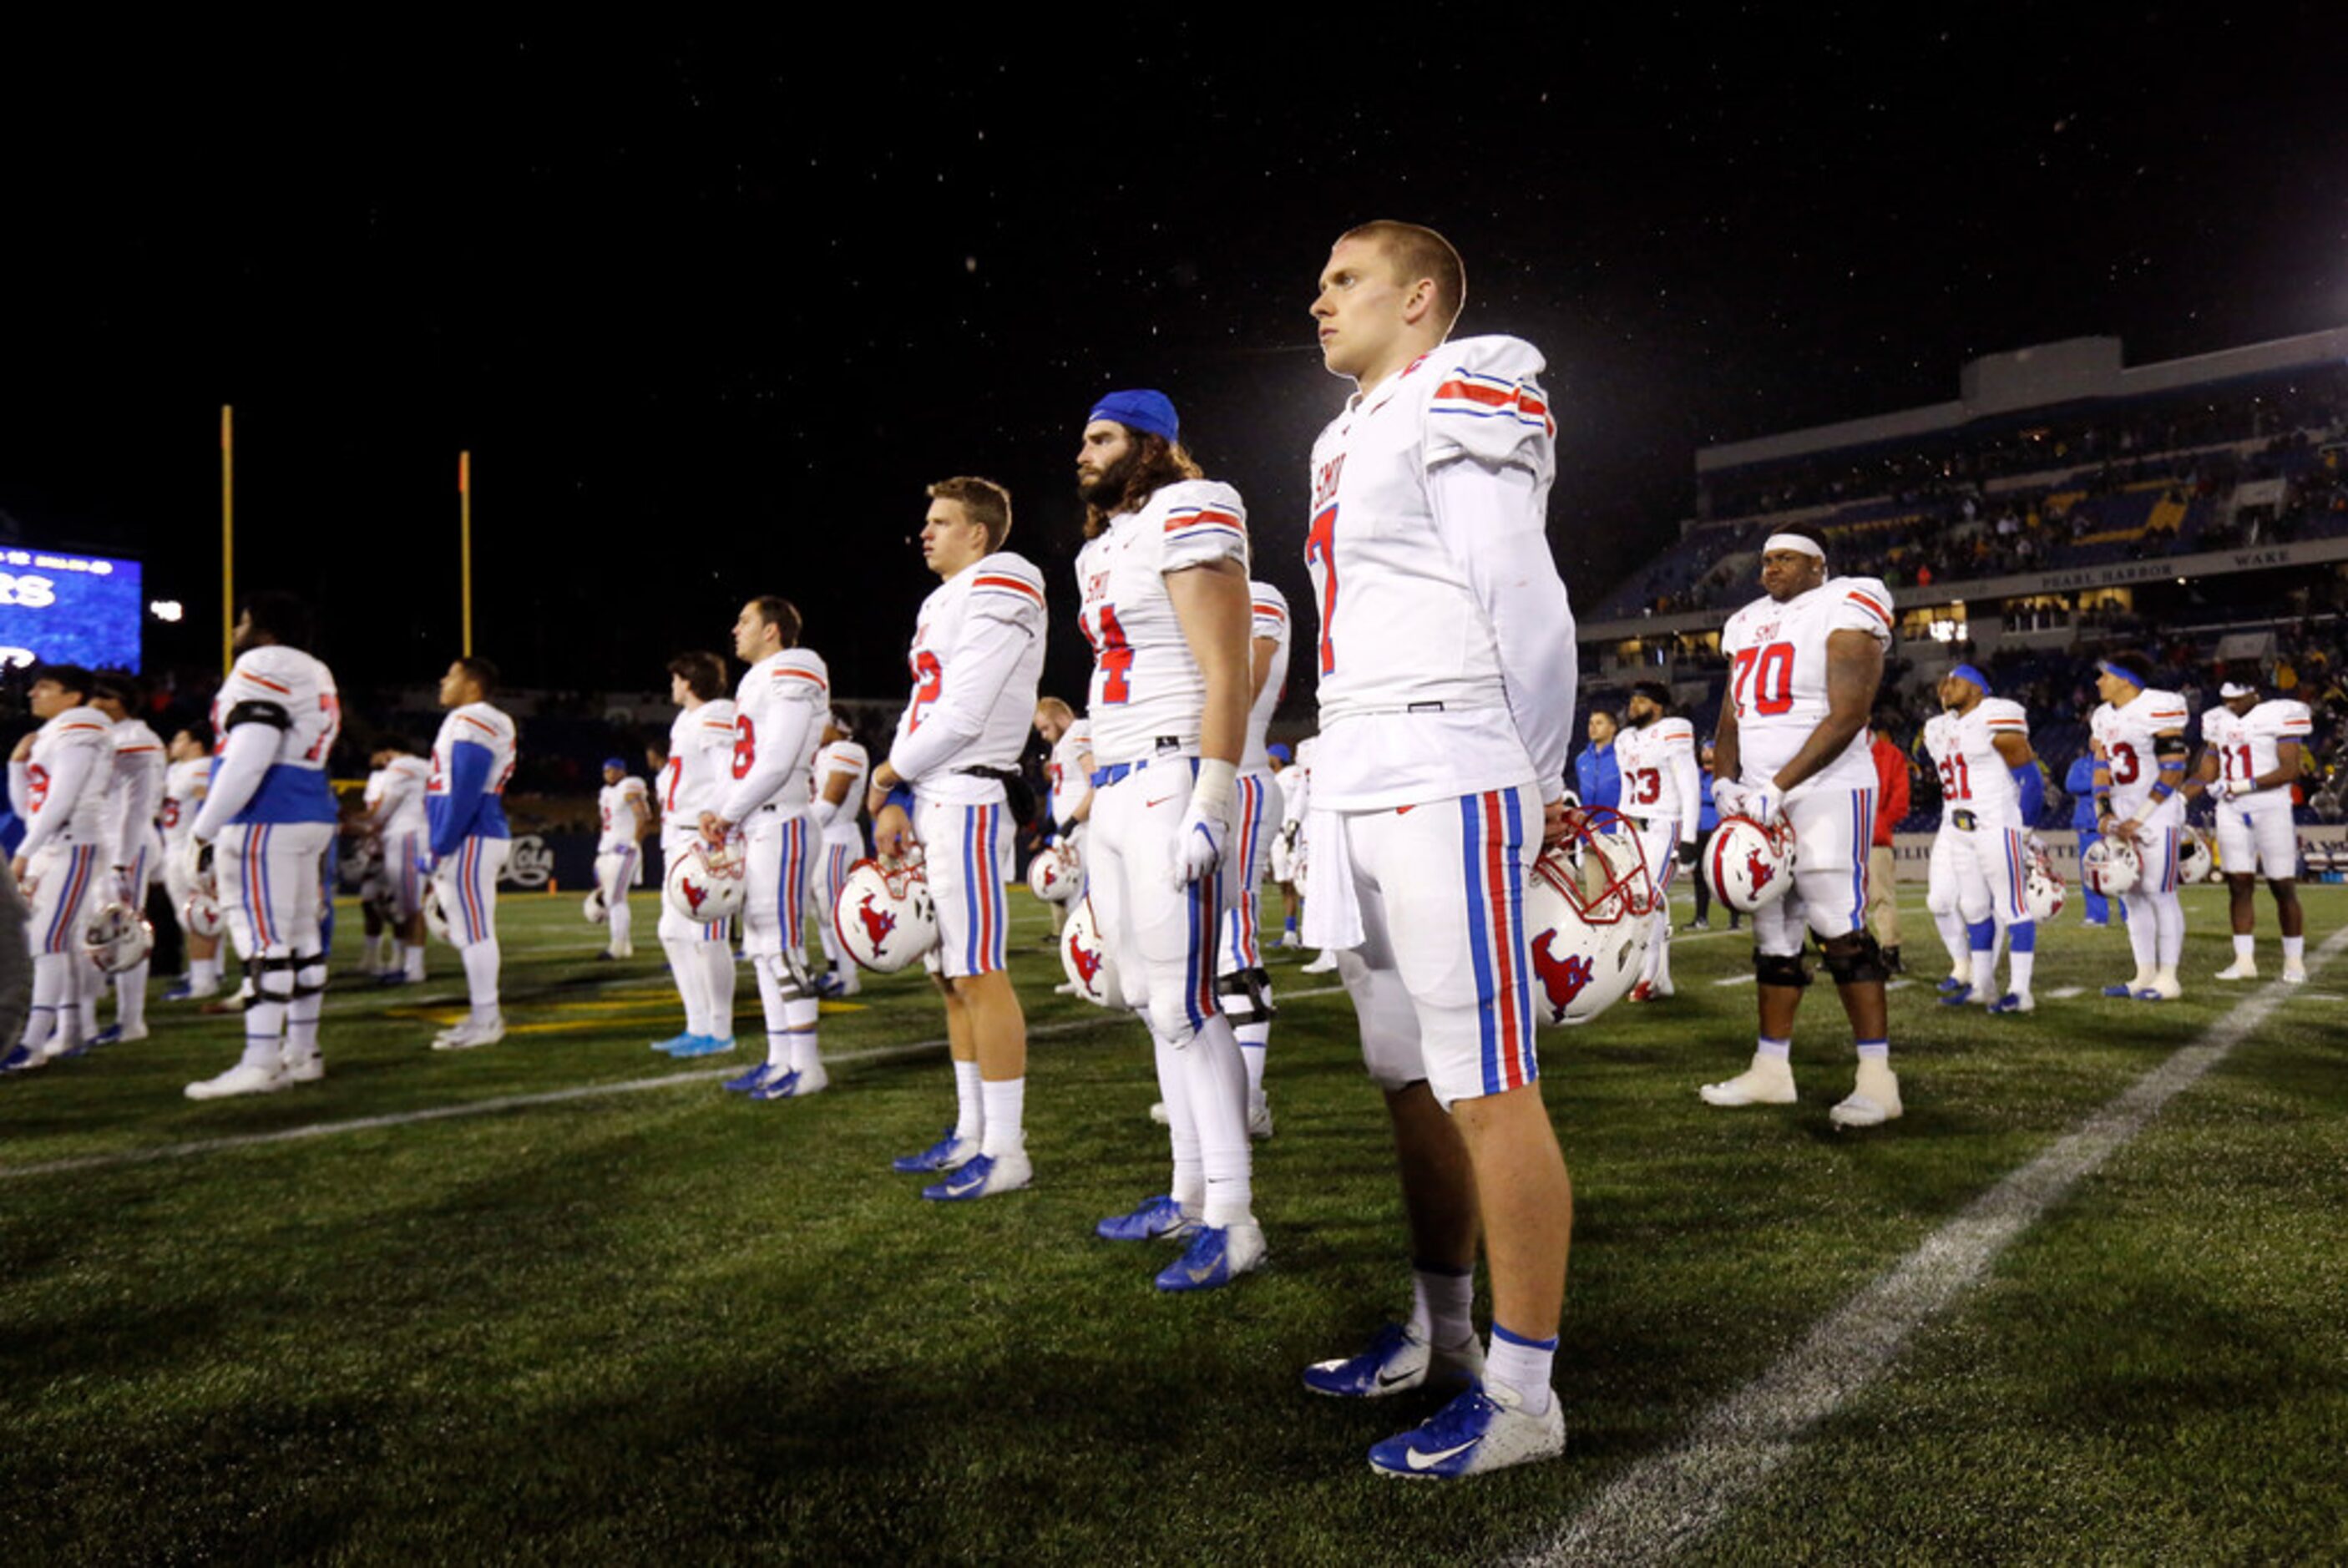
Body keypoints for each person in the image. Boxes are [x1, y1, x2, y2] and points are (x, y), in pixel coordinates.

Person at [1297, 221, 1578, 1477]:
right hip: (1360, 762)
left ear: (1420, 299)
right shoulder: (1342, 432)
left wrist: (1539, 776)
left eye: (1345, 279)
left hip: (1449, 754)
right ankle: (1446, 1334)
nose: (1319, 299)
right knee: (1405, 1074)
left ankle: (1524, 1394)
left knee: (1485, 1079)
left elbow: (1523, 595)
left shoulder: (1464, 387)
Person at [1069, 389, 1263, 1283]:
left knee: (1188, 1002)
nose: (1083, 452)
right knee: (1149, 999)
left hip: (1168, 773)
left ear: (1150, 444)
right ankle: (1186, 1193)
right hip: (1115, 787)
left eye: (1101, 437)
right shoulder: (1103, 548)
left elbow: (1229, 669)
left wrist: (1212, 796)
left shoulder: (1193, 506)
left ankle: (1233, 1214)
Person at [867, 477, 1045, 1195]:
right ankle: (971, 1132)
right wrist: (899, 794)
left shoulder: (1006, 577)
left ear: (979, 532)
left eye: (942, 521)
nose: (926, 531)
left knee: (978, 971)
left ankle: (1006, 1150)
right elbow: (924, 708)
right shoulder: (941, 600)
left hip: (971, 793)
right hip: (936, 792)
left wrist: (885, 777)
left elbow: (964, 713)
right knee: (948, 978)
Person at [1698, 529, 1898, 1126]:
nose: (1770, 569)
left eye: (1784, 558)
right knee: (1773, 932)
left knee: (1838, 925)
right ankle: (1771, 1069)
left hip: (1826, 788)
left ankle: (1877, 1079)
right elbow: (1733, 713)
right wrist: (1724, 781)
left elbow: (1850, 714)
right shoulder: (1744, 622)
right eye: (1764, 560)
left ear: (1818, 565)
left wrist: (1778, 786)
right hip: (1759, 792)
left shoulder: (1848, 601)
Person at [181, 595, 343, 1097]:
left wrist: (204, 828)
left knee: (264, 942)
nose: (236, 628)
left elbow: (251, 752)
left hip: (267, 814)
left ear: (266, 629)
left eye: (245, 620)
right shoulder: (315, 669)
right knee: (302, 939)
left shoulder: (263, 663)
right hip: (311, 808)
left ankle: (260, 1061)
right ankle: (302, 1052)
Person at [698, 599, 831, 1097]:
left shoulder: (795, 666)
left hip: (782, 821)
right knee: (760, 947)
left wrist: (728, 814)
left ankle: (808, 1065)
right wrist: (721, 810)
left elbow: (776, 762)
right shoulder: (757, 679)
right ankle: (780, 1059)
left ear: (773, 630)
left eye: (746, 621)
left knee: (784, 946)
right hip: (759, 824)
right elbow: (745, 766)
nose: (735, 629)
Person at [3, 665, 114, 1072]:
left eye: (45, 686)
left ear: (73, 696)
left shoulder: (82, 727)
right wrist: (18, 765)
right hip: (54, 845)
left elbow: (63, 800)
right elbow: (28, 810)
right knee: (53, 942)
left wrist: (23, 854)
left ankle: (31, 1043)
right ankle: (70, 1030)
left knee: (47, 941)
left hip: (72, 845)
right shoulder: (54, 732)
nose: (34, 693)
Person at [1922, 665, 2041, 1012]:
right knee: (1974, 908)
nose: (1946, 687)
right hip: (1959, 829)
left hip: (1995, 823)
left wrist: (2025, 830)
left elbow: (2030, 779)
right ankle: (1982, 986)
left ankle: (2021, 991)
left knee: (2013, 907)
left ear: (1977, 689)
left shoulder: (1996, 715)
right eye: (1943, 682)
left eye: (1955, 681)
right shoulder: (1938, 728)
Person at [1222, 579, 1291, 1133]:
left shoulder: (1257, 595)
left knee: (1234, 943)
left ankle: (1247, 1100)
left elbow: (1244, 683)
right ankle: (1211, 1090)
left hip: (1239, 779)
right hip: (1200, 783)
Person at [425, 655, 518, 1048]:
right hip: (471, 836)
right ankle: (483, 1015)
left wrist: (442, 843)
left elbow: (465, 788)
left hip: (470, 837)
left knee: (477, 932)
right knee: (469, 931)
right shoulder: (474, 719)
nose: (443, 682)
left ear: (473, 685)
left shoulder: (474, 718)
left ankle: (487, 1020)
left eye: (451, 675)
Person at [2089, 651, 2191, 1000]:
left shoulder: (2158, 706)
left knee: (2160, 892)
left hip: (2156, 813)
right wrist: (2103, 813)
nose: (2099, 681)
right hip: (2121, 813)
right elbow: (2101, 766)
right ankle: (2144, 974)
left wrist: (2140, 816)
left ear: (2126, 680)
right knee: (2131, 897)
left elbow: (2174, 769)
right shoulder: (2102, 716)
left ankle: (2169, 977)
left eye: (2105, 675)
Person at [2193, 679, 2310, 981]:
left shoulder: (2280, 713)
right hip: (2231, 808)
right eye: (2225, 698)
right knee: (2238, 884)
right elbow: (2208, 768)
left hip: (2270, 805)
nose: (2230, 704)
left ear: (2254, 693)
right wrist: (2184, 795)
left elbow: (2290, 769)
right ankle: (2244, 960)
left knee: (2282, 885)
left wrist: (2241, 785)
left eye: (2237, 698)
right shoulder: (2216, 719)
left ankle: (2294, 961)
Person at [653, 652, 741, 1058]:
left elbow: (728, 772)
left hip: (704, 836)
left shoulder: (716, 713)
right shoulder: (685, 720)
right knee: (672, 932)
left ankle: (720, 1030)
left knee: (708, 935)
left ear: (688, 681)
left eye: (675, 679)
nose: (672, 686)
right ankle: (698, 1024)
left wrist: (720, 821)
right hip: (679, 834)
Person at [89, 674, 166, 1044]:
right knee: (102, 931)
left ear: (115, 700)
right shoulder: (115, 737)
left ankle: (131, 1020)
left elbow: (136, 807)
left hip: (127, 843)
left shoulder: (137, 739)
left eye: (97, 696)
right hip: (110, 842)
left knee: (125, 932)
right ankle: (96, 1015)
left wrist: (122, 860)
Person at [1612, 680, 1699, 1000]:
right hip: (1634, 827)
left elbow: (1689, 787)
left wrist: (1688, 838)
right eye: (1632, 700)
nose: (1633, 706)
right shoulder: (1625, 739)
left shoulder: (1673, 731)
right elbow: (1626, 788)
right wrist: (1620, 829)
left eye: (1641, 701)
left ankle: (1649, 975)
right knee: (1635, 899)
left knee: (1649, 898)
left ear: (1658, 706)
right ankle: (1653, 975)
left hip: (1663, 824)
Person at [807, 711, 871, 999]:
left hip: (836, 838)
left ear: (838, 726)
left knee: (834, 910)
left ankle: (848, 976)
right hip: (823, 837)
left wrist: (795, 825)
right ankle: (835, 972)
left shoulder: (847, 749)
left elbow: (832, 801)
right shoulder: (822, 753)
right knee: (822, 911)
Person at [159, 726, 224, 999]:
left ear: (196, 744)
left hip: (192, 849)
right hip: (176, 846)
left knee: (199, 914)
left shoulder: (202, 766)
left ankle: (204, 980)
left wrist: (207, 850)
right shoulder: (176, 770)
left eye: (180, 738)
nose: (174, 743)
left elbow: (206, 801)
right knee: (194, 916)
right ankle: (209, 971)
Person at [364, 741, 432, 984]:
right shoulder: (427, 766)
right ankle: (406, 964)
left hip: (407, 836)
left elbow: (385, 807)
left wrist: (360, 824)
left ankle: (414, 969)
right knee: (406, 905)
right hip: (418, 833)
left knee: (411, 906)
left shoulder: (402, 765)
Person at [1032, 695, 1093, 959]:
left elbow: (1096, 784)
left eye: (1046, 728)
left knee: (1086, 901)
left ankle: (1097, 966)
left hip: (1085, 829)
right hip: (1071, 833)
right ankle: (1081, 969)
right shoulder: (1062, 744)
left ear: (1058, 717)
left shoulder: (1079, 732)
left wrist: (1070, 824)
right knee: (1072, 901)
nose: (1044, 736)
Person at [593, 756, 653, 960]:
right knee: (609, 900)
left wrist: (635, 843)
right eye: (605, 771)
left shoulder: (629, 785)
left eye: (612, 770)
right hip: (607, 851)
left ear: (621, 771)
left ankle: (617, 947)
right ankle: (624, 945)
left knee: (615, 899)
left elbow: (644, 816)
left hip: (624, 849)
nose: (608, 774)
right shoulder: (605, 793)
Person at [1865, 714, 1910, 971]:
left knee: (1881, 896)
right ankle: (1844, 949)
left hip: (1873, 839)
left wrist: (1877, 823)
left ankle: (1890, 950)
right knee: (1843, 900)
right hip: (1844, 839)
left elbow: (1900, 802)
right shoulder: (1838, 753)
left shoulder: (1890, 754)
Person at [2065, 751, 2113, 927]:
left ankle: (2129, 914)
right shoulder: (2080, 764)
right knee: (2090, 873)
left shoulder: (2116, 760)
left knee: (2123, 868)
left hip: (2113, 824)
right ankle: (2096, 916)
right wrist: (2100, 781)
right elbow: (2071, 785)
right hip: (2088, 824)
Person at [1572, 708, 1621, 812]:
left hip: (1614, 823)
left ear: (1612, 728)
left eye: (1599, 723)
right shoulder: (1581, 760)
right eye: (1590, 723)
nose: (1593, 728)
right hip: (1587, 825)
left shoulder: (1622, 757)